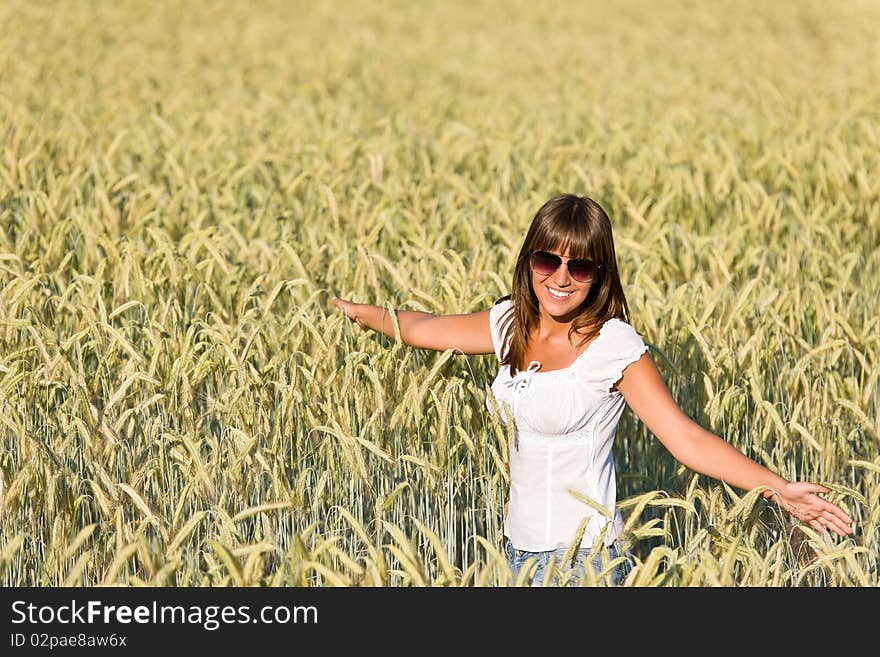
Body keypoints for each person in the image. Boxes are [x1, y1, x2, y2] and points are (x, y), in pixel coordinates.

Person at [329, 193, 854, 587]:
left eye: (578, 265)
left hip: (587, 564)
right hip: (516, 556)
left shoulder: (613, 345)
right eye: (546, 260)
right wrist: (355, 312)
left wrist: (778, 487)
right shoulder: (510, 322)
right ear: (528, 261)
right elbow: (424, 327)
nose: (560, 277)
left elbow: (686, 440)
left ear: (599, 273)